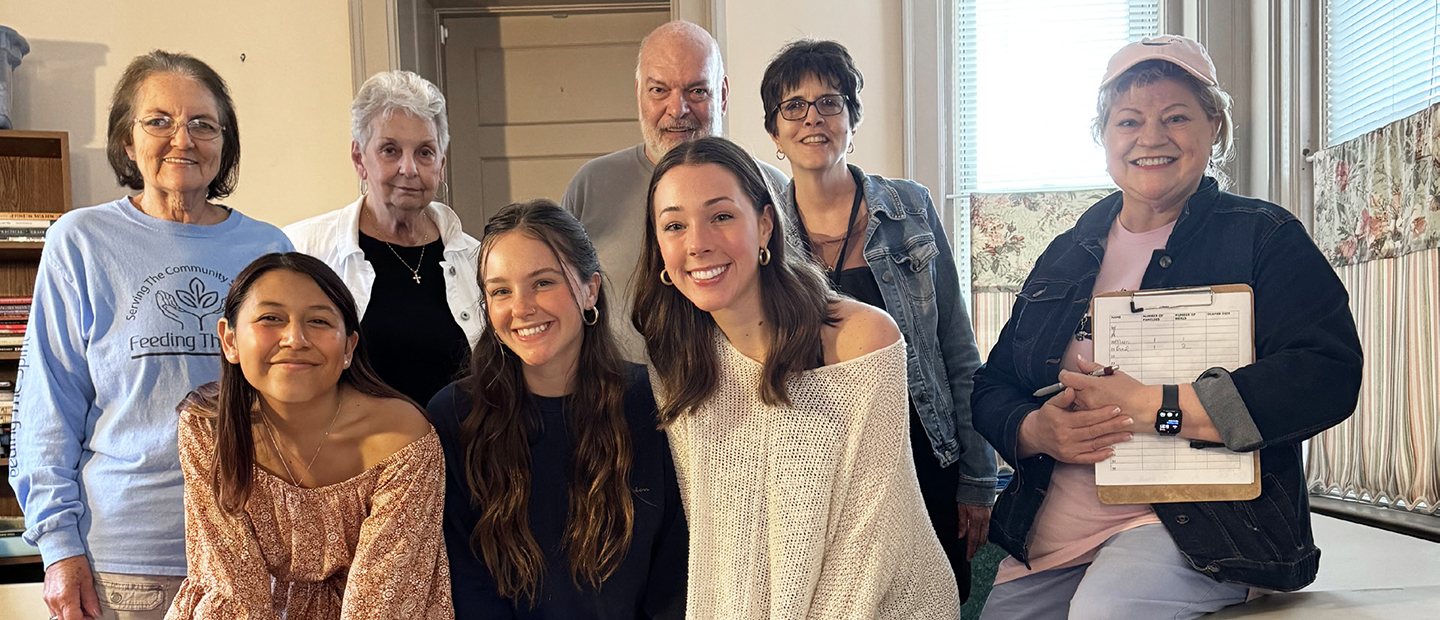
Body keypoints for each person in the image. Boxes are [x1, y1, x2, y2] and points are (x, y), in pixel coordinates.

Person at [971, 35, 1363, 620]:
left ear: (1215, 128)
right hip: (1056, 531)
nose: (1150, 138)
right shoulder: (1066, 252)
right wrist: (1034, 431)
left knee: (1106, 611)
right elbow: (993, 383)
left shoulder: (1263, 236)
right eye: (1129, 120)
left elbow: (1326, 373)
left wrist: (1159, 407)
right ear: (1105, 137)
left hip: (1198, 532)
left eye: (1175, 117)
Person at [7, 51, 292, 620]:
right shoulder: (81, 239)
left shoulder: (269, 248)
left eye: (202, 124)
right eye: (158, 120)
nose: (181, 139)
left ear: (224, 144)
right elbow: (47, 406)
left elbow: (293, 397)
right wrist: (60, 549)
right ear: (127, 141)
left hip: (251, 549)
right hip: (124, 560)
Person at [633, 136, 959, 619]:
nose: (697, 243)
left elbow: (867, 552)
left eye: (721, 216)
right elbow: (721, 556)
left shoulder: (859, 339)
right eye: (675, 225)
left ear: (764, 224)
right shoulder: (678, 365)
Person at [762, 39, 994, 602]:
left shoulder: (909, 207)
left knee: (932, 600)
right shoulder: (762, 231)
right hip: (822, 473)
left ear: (852, 120)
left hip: (924, 454)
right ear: (774, 132)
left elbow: (956, 350)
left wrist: (979, 478)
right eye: (793, 106)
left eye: (830, 102)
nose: (813, 117)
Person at [427, 200, 686, 619]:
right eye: (500, 291)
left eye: (543, 282)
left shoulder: (654, 403)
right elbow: (462, 582)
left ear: (590, 289)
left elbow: (676, 575)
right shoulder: (454, 416)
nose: (521, 307)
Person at [165, 252, 452, 620]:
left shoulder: (401, 437)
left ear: (348, 347)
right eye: (271, 318)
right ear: (230, 340)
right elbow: (232, 588)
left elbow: (384, 602)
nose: (295, 339)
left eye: (318, 321)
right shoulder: (208, 426)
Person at [562, 20, 788, 362]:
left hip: (748, 400)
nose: (677, 109)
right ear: (639, 92)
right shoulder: (590, 185)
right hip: (617, 404)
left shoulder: (771, 187)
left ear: (723, 94)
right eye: (659, 91)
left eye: (697, 91)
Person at [285, 70, 480, 406]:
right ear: (360, 159)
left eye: (425, 152)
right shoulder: (302, 250)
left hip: (462, 452)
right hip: (352, 455)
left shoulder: (476, 259)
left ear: (441, 164)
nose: (409, 168)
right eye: (390, 150)